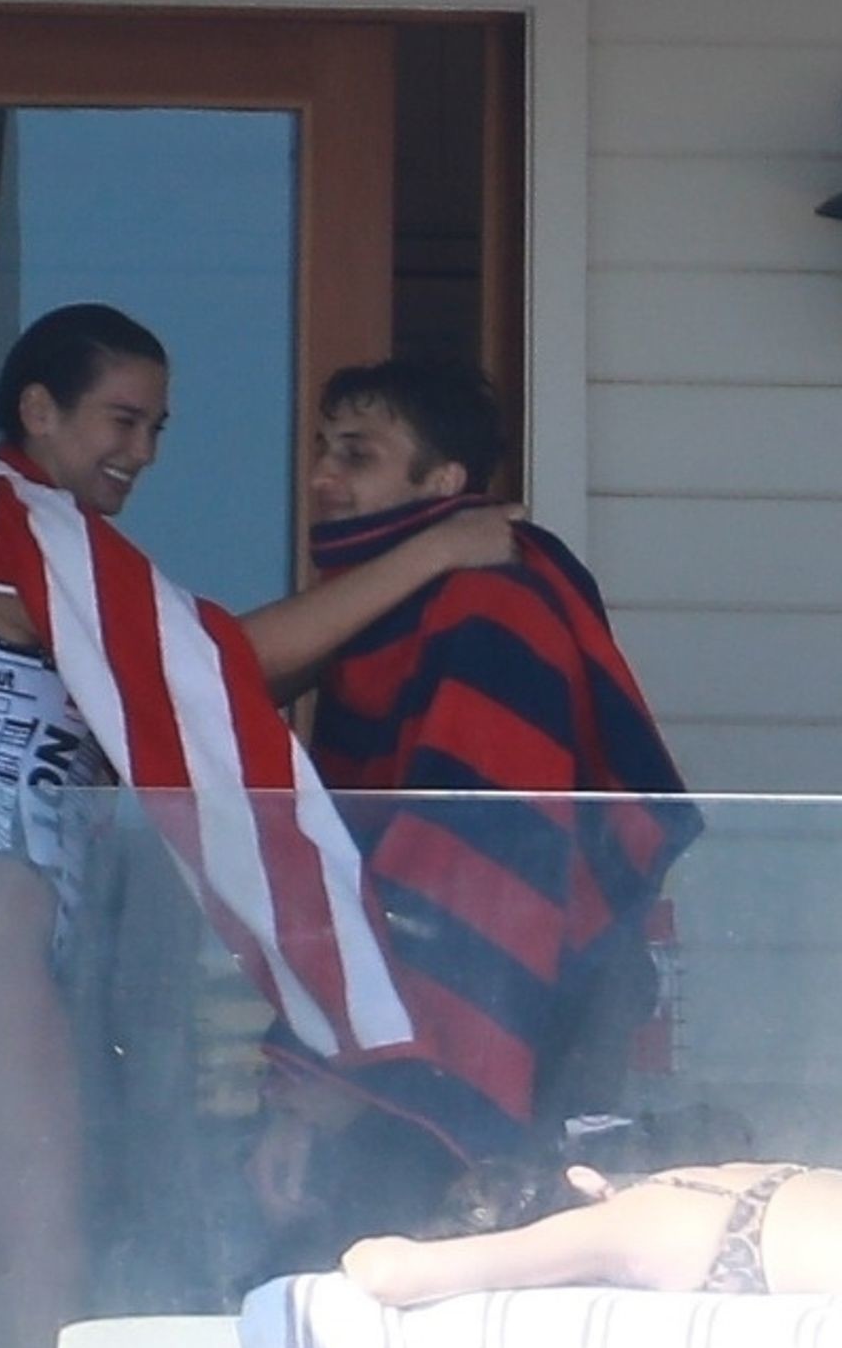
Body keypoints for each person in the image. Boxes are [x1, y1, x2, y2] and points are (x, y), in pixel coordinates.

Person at [0, 305, 520, 1348]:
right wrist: (435, 552)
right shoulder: (24, 526)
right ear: (37, 412)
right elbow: (223, 676)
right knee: (39, 1295)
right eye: (122, 419)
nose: (145, 452)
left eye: (158, 428)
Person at [251, 356, 701, 1265]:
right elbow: (226, 678)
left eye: (357, 454)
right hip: (415, 1043)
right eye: (322, 450)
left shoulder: (489, 612)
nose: (322, 477)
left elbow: (463, 881)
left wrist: (336, 1087)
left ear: (443, 482)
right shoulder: (400, 607)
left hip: (488, 1040)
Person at [341, 1161, 842, 1307]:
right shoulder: (706, 1176)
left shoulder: (602, 1231)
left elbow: (390, 1275)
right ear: (581, 1176)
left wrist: (348, 1248)